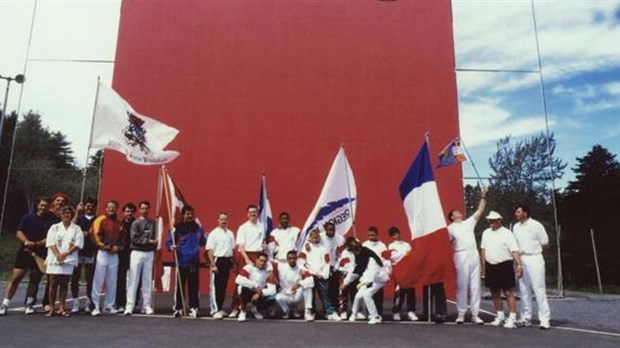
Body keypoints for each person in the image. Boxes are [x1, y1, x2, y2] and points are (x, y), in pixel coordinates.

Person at [0, 197, 55, 316]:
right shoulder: (27, 217)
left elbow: (52, 237)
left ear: (49, 207)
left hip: (41, 254)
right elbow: (19, 232)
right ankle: (5, 304)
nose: (43, 208)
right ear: (38, 205)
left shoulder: (52, 220)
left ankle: (29, 304)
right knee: (15, 279)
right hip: (24, 252)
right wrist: (26, 242)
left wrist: (36, 244)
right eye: (41, 205)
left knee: (34, 279)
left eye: (46, 206)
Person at [447, 187, 487, 324]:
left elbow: (480, 211)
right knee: (462, 284)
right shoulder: (450, 228)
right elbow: (446, 242)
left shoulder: (468, 223)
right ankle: (461, 314)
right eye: (456, 212)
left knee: (475, 285)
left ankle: (475, 314)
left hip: (473, 253)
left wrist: (483, 196)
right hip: (460, 255)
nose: (459, 212)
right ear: (452, 217)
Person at [480, 211, 523, 329]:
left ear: (499, 220)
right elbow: (483, 250)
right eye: (489, 220)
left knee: (508, 292)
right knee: (494, 292)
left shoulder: (507, 233)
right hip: (490, 266)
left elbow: (514, 250)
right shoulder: (486, 233)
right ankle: (500, 316)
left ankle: (512, 318)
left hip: (505, 265)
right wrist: (483, 268)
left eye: (493, 220)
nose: (491, 222)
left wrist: (519, 265)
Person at [513, 205, 551, 330]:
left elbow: (545, 243)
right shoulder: (516, 227)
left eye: (518, 212)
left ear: (525, 213)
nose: (516, 214)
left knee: (539, 289)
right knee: (524, 289)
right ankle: (526, 317)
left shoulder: (536, 225)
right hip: (522, 259)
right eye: (516, 212)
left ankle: (544, 320)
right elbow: (515, 247)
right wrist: (518, 264)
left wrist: (537, 254)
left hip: (535, 258)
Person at [166, 205, 207, 318]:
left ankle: (194, 308)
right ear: (183, 215)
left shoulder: (197, 228)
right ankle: (178, 308)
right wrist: (171, 247)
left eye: (191, 214)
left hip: (194, 261)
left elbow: (203, 241)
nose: (190, 216)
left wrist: (207, 238)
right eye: (187, 214)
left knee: (194, 286)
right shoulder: (177, 229)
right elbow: (169, 242)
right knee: (180, 286)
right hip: (181, 261)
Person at [45, 206, 84, 317]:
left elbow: (78, 243)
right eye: (64, 213)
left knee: (64, 283)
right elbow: (50, 242)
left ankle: (61, 307)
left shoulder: (77, 228)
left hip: (69, 258)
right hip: (54, 258)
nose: (66, 215)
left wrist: (66, 253)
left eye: (68, 213)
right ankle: (52, 308)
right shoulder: (54, 227)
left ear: (71, 215)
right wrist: (58, 255)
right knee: (53, 283)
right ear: (60, 215)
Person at [341, 237, 389, 325]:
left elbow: (370, 274)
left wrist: (362, 283)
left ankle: (375, 316)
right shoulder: (359, 255)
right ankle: (354, 313)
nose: (353, 253)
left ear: (358, 250)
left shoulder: (371, 258)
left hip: (379, 279)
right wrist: (346, 282)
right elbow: (356, 270)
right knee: (359, 296)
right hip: (368, 278)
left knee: (367, 294)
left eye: (353, 252)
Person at [230, 204, 266, 318]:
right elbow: (240, 246)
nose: (252, 214)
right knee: (240, 282)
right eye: (250, 212)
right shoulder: (243, 227)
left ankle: (256, 308)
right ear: (247, 214)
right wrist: (247, 259)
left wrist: (264, 247)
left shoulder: (261, 226)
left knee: (259, 282)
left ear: (257, 213)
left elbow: (262, 242)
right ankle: (236, 308)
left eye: (254, 212)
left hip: (258, 255)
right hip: (246, 255)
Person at [91, 200, 125, 316]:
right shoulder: (100, 220)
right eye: (109, 207)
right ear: (106, 208)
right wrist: (108, 247)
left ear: (116, 209)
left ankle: (109, 305)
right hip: (103, 253)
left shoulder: (120, 223)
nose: (111, 209)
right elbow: (95, 236)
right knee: (98, 280)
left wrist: (118, 247)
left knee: (112, 281)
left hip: (114, 254)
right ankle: (94, 306)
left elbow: (123, 238)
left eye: (114, 207)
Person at [298, 229, 340, 321]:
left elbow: (327, 262)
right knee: (310, 294)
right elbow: (301, 261)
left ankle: (330, 312)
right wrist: (308, 271)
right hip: (310, 274)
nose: (315, 239)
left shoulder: (323, 248)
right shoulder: (306, 248)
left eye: (317, 237)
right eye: (313, 237)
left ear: (319, 237)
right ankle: (311, 313)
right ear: (310, 238)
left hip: (321, 275)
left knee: (325, 293)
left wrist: (323, 274)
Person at [124, 201, 157, 316]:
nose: (144, 210)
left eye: (146, 208)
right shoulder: (135, 223)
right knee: (133, 280)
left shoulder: (154, 223)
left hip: (149, 253)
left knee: (147, 280)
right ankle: (129, 306)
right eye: (142, 208)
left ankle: (146, 305)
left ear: (149, 209)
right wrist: (148, 241)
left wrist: (155, 244)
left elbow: (157, 237)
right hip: (136, 253)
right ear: (139, 210)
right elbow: (134, 238)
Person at [205, 212, 236, 319]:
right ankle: (214, 310)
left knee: (223, 287)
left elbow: (232, 250)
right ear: (218, 220)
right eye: (222, 219)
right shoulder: (213, 233)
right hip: (217, 261)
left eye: (225, 219)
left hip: (227, 262)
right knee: (215, 287)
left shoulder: (230, 233)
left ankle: (220, 308)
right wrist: (213, 265)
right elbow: (209, 250)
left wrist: (233, 263)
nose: (224, 221)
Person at [70, 197, 98, 313]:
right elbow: (71, 228)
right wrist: (77, 212)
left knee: (89, 278)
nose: (89, 207)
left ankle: (88, 303)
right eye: (87, 205)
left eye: (92, 206)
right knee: (75, 278)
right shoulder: (79, 218)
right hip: (78, 252)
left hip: (90, 252)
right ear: (84, 207)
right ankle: (75, 303)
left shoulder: (97, 220)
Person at [385, 226, 418, 322]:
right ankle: (396, 311)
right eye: (393, 235)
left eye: (396, 233)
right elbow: (393, 257)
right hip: (398, 270)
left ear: (399, 233)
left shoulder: (407, 244)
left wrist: (407, 255)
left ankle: (411, 311)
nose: (396, 236)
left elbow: (412, 254)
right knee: (399, 292)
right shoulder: (391, 246)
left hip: (408, 270)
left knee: (411, 291)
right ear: (391, 236)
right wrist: (405, 254)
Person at [235, 253, 276, 322]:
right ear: (256, 260)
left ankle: (256, 309)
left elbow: (273, 290)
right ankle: (243, 311)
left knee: (273, 297)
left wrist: (260, 293)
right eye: (260, 260)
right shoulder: (249, 267)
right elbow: (238, 279)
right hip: (250, 290)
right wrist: (255, 285)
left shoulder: (268, 272)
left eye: (264, 261)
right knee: (241, 288)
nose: (262, 263)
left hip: (260, 293)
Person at [274, 250, 314, 320]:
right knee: (277, 297)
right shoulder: (281, 268)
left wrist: (299, 284)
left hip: (297, 294)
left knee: (308, 287)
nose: (292, 260)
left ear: (296, 258)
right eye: (290, 258)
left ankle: (307, 313)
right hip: (286, 294)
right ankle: (286, 311)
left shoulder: (301, 268)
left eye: (294, 258)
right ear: (287, 259)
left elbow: (311, 280)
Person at [320, 222, 345, 317]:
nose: (332, 232)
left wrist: (336, 267)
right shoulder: (321, 237)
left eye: (333, 229)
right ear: (325, 229)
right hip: (323, 266)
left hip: (335, 266)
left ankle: (335, 308)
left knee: (334, 289)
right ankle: (327, 310)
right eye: (329, 230)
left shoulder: (340, 238)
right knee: (325, 290)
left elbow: (340, 255)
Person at [362, 226, 388, 317]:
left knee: (378, 295)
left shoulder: (382, 245)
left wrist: (385, 272)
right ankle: (370, 313)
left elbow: (385, 260)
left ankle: (379, 313)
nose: (371, 237)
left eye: (373, 235)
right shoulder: (364, 245)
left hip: (379, 274)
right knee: (368, 294)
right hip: (368, 274)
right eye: (369, 235)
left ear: (377, 235)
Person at [116, 202, 136, 312]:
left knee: (134, 279)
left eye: (131, 212)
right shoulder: (119, 224)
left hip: (134, 253)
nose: (129, 213)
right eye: (127, 211)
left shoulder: (137, 223)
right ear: (124, 212)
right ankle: (120, 303)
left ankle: (133, 302)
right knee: (121, 278)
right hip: (121, 253)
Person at [336, 245, 358, 320]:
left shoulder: (358, 252)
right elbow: (342, 264)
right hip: (344, 274)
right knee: (343, 293)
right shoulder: (345, 252)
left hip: (355, 276)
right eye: (350, 244)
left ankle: (355, 312)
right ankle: (343, 311)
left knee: (354, 294)